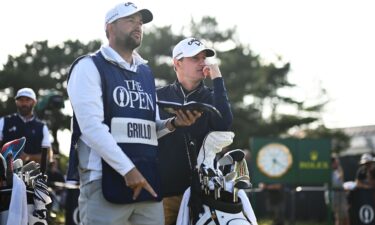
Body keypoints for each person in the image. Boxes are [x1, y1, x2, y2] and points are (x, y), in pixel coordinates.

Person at [67, 3, 200, 225]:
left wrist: (173, 124)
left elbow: (148, 129)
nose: (138, 26)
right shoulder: (88, 66)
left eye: (140, 22)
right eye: (130, 20)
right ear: (109, 27)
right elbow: (91, 128)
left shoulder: (146, 72)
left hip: (147, 181)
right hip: (104, 182)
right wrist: (128, 170)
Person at [157, 37, 233, 225]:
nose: (202, 63)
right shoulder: (157, 95)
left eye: (203, 58)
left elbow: (224, 124)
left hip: (205, 192)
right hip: (165, 192)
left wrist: (218, 78)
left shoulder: (213, 95)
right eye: (195, 58)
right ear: (177, 63)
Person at [0, 87, 52, 164]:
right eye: (21, 100)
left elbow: (48, 156)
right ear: (16, 102)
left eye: (27, 100)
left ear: (34, 102)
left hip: (33, 174)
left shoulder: (42, 127)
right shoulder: (4, 121)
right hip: (6, 173)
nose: (24, 103)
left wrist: (28, 157)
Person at [331, 155, 350, 225]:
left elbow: (340, 182)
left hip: (340, 197)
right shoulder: (329, 173)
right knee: (339, 218)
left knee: (344, 218)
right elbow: (337, 185)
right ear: (332, 163)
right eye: (336, 162)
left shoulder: (336, 172)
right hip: (336, 198)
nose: (338, 164)